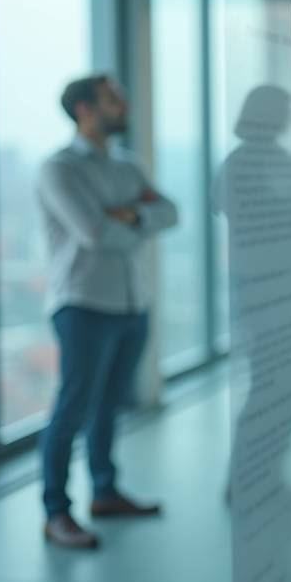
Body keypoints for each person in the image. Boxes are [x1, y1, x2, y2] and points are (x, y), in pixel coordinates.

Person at [36, 75, 177, 549]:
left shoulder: (127, 166)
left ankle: (105, 491)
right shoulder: (59, 169)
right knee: (72, 409)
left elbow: (172, 214)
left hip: (132, 305)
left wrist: (130, 215)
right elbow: (93, 233)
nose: (125, 103)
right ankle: (56, 512)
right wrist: (136, 219)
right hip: (83, 305)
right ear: (85, 110)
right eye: (114, 98)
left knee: (109, 406)